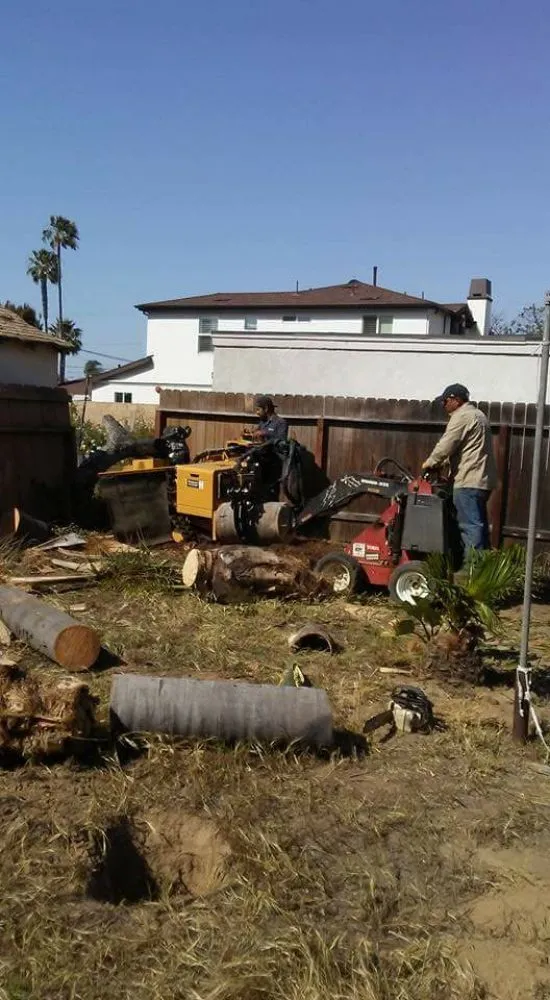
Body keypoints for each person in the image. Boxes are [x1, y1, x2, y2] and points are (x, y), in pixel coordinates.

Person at [422, 383, 497, 552]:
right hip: (482, 481)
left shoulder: (462, 416)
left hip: (468, 481)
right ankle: (483, 563)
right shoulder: (479, 415)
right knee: (480, 527)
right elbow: (470, 450)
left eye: (445, 401)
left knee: (469, 527)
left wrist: (430, 463)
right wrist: (444, 463)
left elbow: (447, 444)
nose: (443, 405)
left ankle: (472, 566)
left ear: (456, 400)